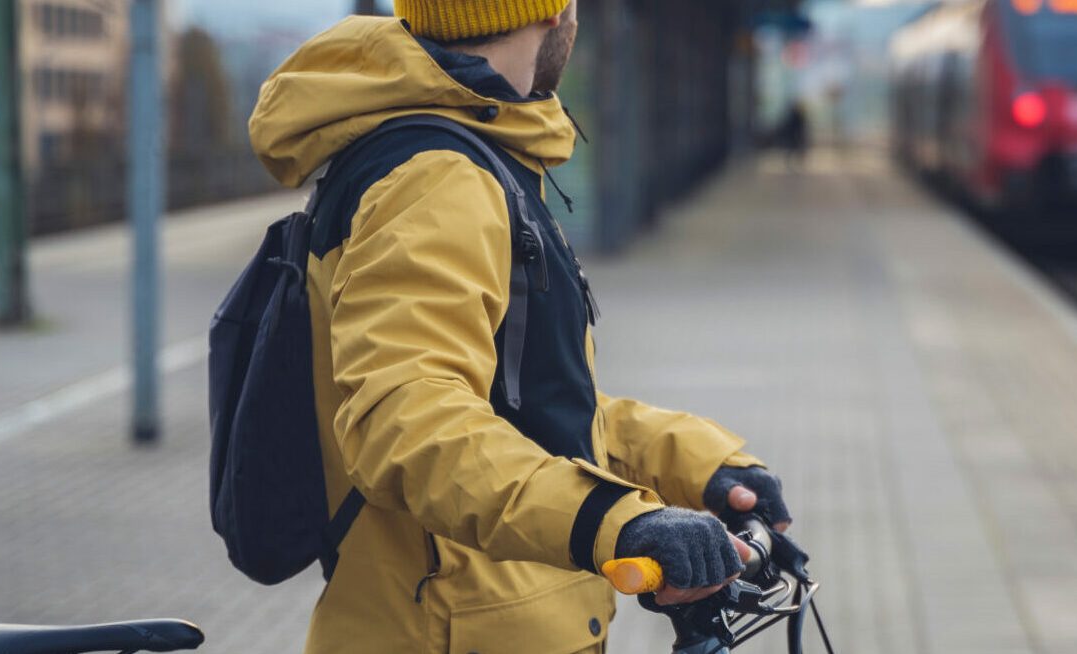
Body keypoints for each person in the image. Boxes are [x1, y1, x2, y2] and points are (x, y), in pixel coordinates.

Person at [247, 3, 794, 653]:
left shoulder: (462, 154)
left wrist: (698, 462)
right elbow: (410, 425)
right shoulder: (435, 176)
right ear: (550, 12)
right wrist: (615, 521)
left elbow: (530, 407)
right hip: (449, 629)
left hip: (484, 618)